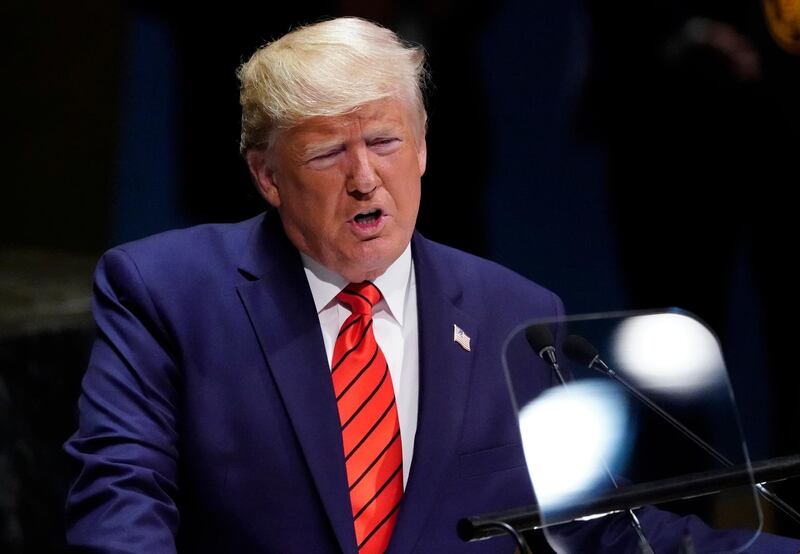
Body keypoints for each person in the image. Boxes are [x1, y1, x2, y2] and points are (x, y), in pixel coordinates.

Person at [64, 17, 800, 553]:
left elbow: (591, 529)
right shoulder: (164, 293)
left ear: (420, 152)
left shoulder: (515, 313)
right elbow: (121, 507)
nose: (364, 177)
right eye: (327, 152)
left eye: (385, 142)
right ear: (267, 176)